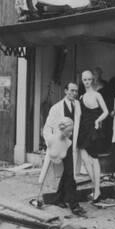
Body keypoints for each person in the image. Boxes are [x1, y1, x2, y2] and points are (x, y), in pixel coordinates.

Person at [39, 82, 86, 216]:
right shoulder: (56, 108)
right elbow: (47, 128)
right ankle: (74, 205)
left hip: (72, 144)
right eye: (71, 91)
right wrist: (50, 142)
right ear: (65, 91)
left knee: (68, 173)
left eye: (76, 91)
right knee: (70, 174)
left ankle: (59, 198)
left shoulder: (77, 105)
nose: (74, 94)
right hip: (60, 144)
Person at [77, 70, 109, 202]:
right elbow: (79, 116)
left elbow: (106, 112)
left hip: (94, 131)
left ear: (92, 80)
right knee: (85, 159)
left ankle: (96, 190)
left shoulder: (97, 95)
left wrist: (98, 120)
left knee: (94, 159)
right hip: (83, 131)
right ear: (82, 81)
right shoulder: (80, 97)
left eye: (89, 79)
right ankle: (97, 189)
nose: (87, 82)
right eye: (85, 80)